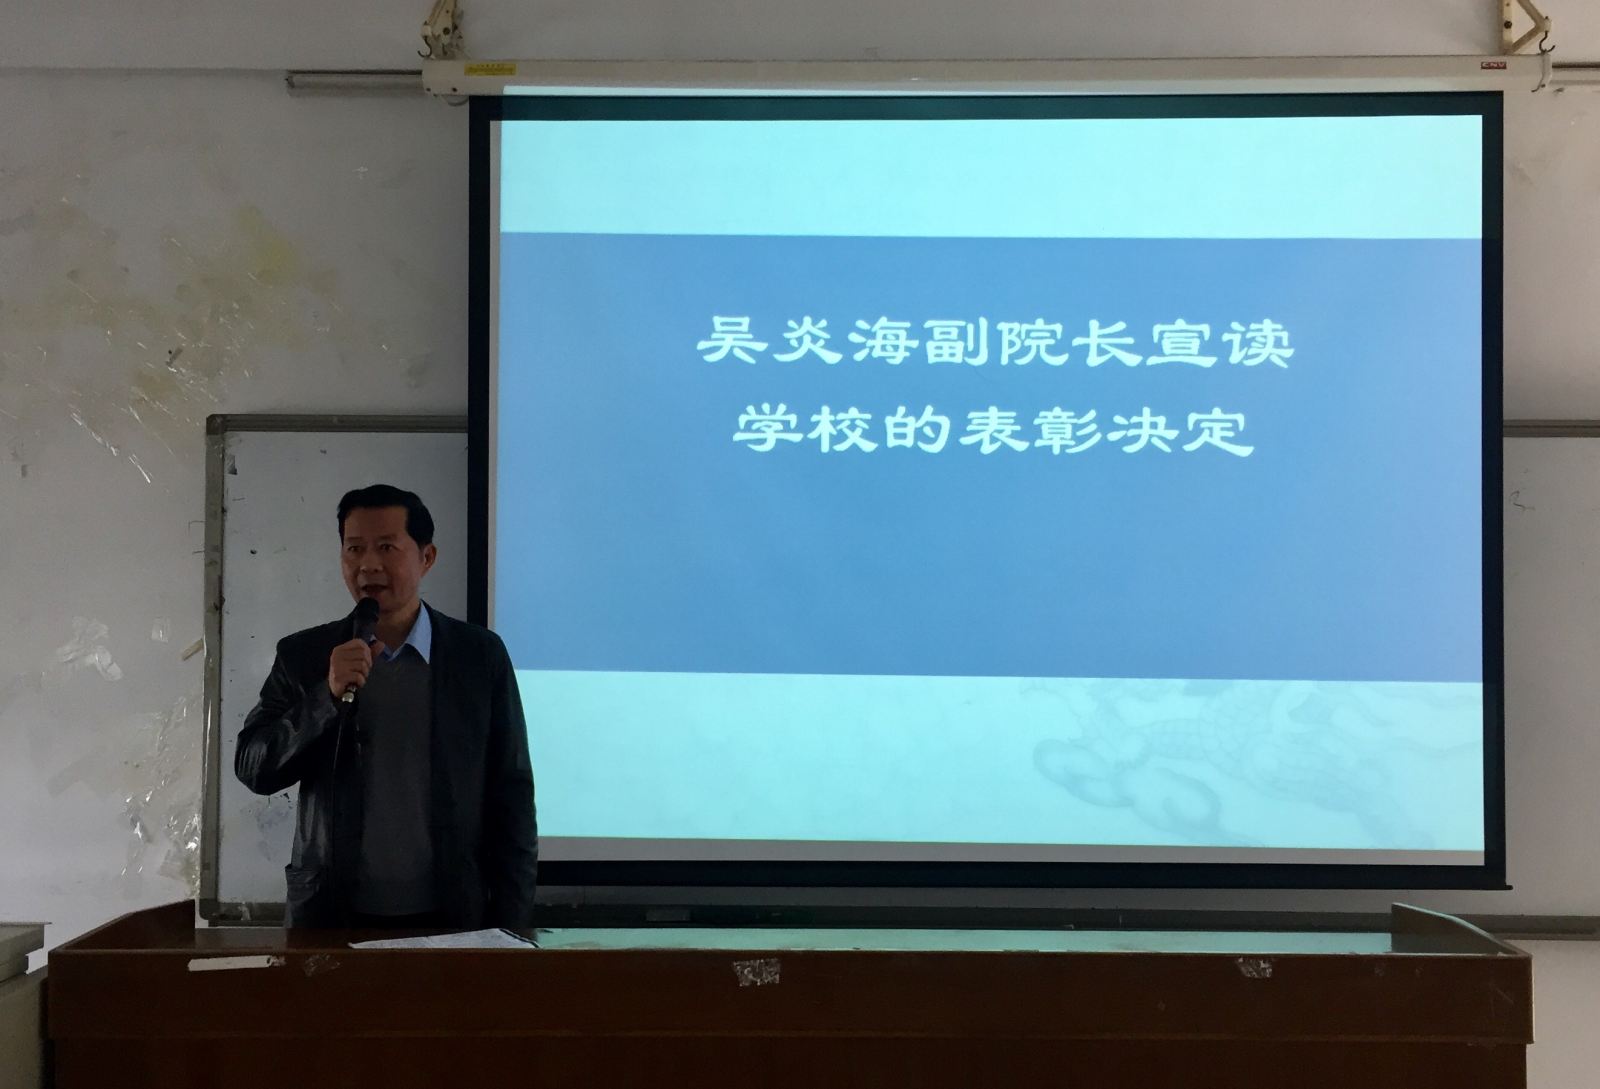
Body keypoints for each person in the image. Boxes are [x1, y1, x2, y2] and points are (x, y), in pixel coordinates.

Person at [235, 484, 537, 929]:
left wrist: (512, 925)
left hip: (454, 916)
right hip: (331, 916)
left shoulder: (479, 656)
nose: (368, 565)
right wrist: (325, 698)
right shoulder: (304, 655)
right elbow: (253, 766)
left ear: (427, 557)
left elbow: (512, 793)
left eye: (386, 548)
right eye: (354, 548)